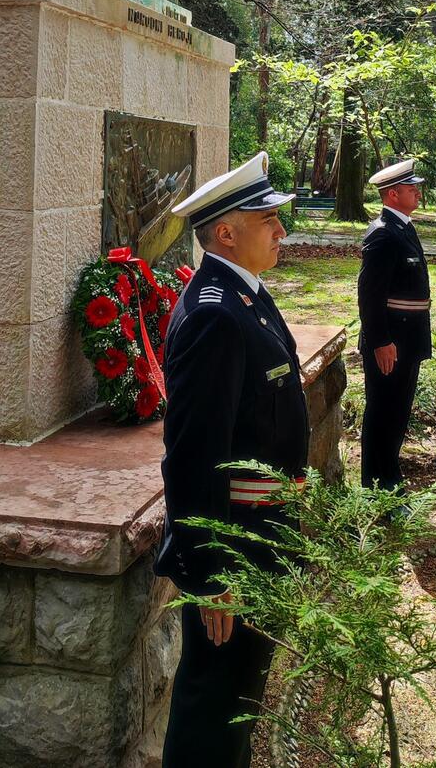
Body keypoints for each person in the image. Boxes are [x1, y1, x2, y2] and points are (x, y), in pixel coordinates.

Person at [156, 151, 309, 768]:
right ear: (226, 233)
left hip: (261, 532)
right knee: (214, 705)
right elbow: (193, 459)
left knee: (239, 696)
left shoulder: (246, 297)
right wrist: (211, 573)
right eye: (266, 218)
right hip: (235, 545)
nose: (280, 229)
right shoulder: (215, 316)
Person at [357, 158, 432, 491]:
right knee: (383, 414)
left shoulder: (403, 227)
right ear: (391, 195)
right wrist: (380, 341)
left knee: (398, 413)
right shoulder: (384, 234)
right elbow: (370, 295)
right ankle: (378, 486)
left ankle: (390, 478)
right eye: (410, 187)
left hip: (408, 338)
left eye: (416, 186)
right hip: (391, 342)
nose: (417, 191)